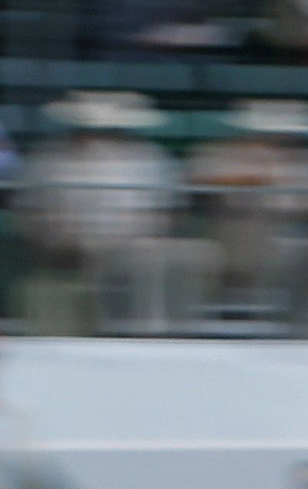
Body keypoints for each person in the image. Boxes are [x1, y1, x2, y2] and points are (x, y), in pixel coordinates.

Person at [20, 92, 191, 333]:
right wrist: (61, 240)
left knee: (175, 259)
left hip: (133, 250)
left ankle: (152, 338)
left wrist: (129, 241)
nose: (98, 137)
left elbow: (165, 213)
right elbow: (33, 213)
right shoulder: (48, 159)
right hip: (65, 250)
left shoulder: (150, 159)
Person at [187, 99, 308, 333]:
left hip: (297, 231)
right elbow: (199, 185)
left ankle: (305, 325)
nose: (277, 139)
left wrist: (299, 203)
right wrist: (251, 180)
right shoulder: (220, 154)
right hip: (234, 230)